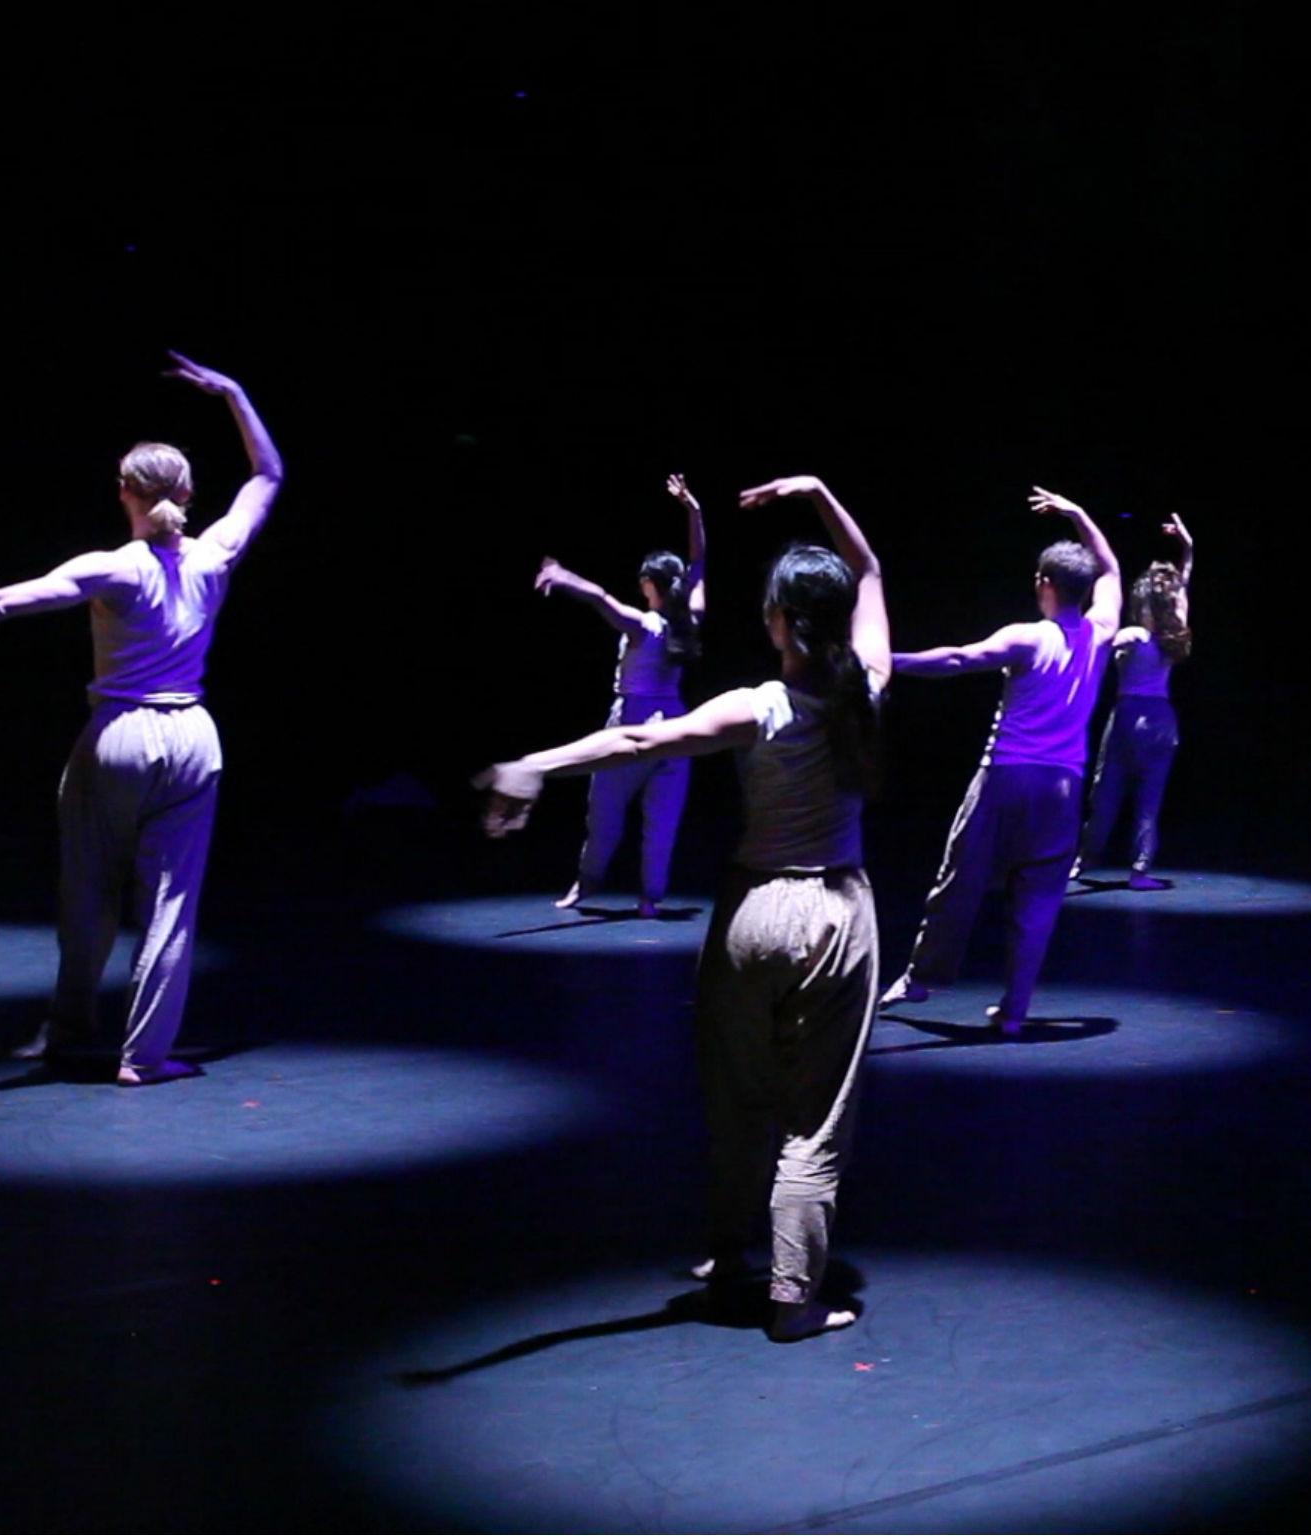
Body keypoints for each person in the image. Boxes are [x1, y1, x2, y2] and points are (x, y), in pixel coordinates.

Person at [480, 475, 886, 1342]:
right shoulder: (866, 689)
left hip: (749, 917)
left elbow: (637, 737)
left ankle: (729, 1253)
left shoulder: (758, 707)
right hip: (835, 918)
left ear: (778, 621)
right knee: (812, 1119)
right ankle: (794, 1297)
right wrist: (818, 491)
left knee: (739, 1100)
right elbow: (870, 566)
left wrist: (532, 766)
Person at [0, 354, 283, 1085]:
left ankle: (70, 1027)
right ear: (187, 492)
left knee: (88, 889)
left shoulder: (112, 567)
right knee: (171, 903)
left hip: (120, 736)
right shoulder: (214, 555)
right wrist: (233, 392)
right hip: (192, 736)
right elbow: (267, 477)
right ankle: (142, 1056)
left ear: (123, 491)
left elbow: (10, 600)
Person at [880, 487, 1122, 1031]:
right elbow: (1110, 569)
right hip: (1062, 788)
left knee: (960, 878)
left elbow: (958, 659)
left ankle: (921, 979)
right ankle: (1014, 1011)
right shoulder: (1100, 634)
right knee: (1038, 897)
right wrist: (1081, 514)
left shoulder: (1029, 637)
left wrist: (886, 661)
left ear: (1044, 584)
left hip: (1006, 779)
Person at [535, 473, 707, 916]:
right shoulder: (692, 616)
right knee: (661, 820)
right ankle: (650, 897)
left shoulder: (643, 623)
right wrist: (694, 511)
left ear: (652, 584)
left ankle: (587, 885)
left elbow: (599, 596)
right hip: (676, 724)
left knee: (605, 815)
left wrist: (560, 574)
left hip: (631, 722)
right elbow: (699, 561)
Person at [1074, 512, 1194, 889]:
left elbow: (1091, 641)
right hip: (1162, 721)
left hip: (1129, 717)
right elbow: (1182, 590)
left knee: (1106, 793)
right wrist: (1187, 548)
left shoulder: (1134, 636)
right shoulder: (1173, 636)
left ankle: (1082, 860)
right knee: (1149, 799)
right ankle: (1140, 871)